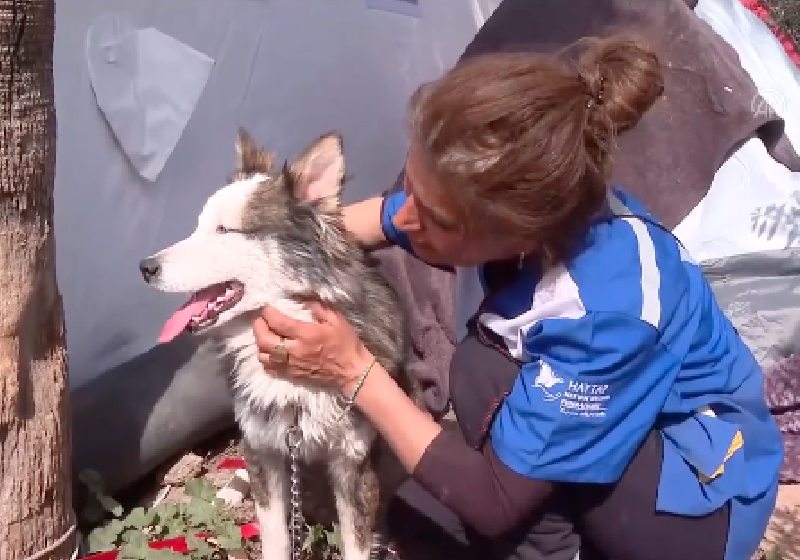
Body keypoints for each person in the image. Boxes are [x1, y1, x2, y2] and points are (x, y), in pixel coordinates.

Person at [251, 34, 784, 560]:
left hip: (701, 503)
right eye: (410, 185)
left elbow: (494, 504)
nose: (405, 216)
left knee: (484, 376)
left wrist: (352, 370)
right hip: (632, 439)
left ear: (521, 234)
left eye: (433, 218)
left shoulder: (605, 312)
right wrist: (275, 248)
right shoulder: (512, 208)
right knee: (422, 501)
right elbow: (376, 221)